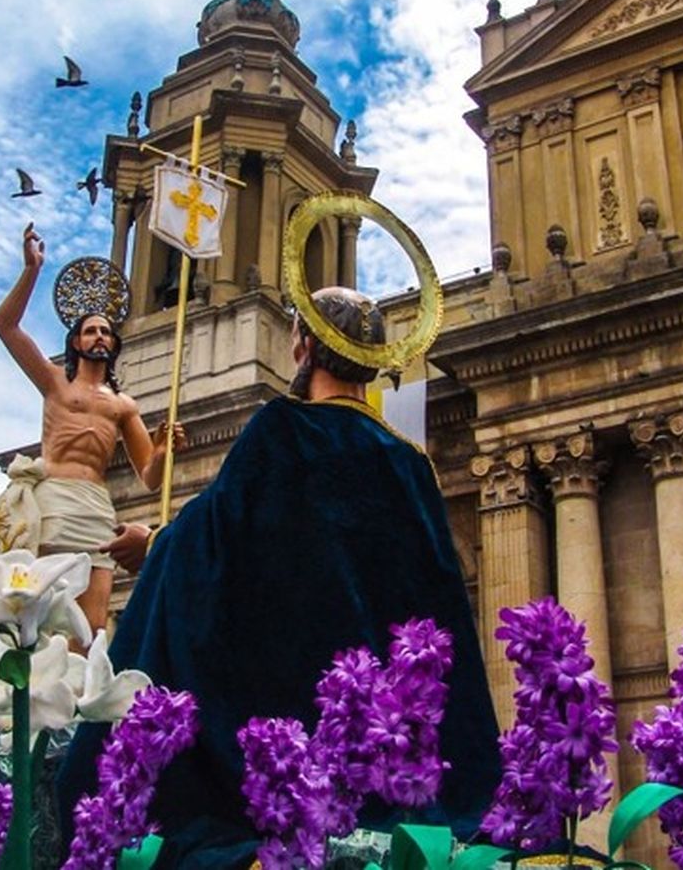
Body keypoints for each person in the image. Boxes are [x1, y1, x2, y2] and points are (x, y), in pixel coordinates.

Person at [59, 287, 501, 869]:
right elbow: (437, 601)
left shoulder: (282, 428)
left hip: (290, 729)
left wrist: (157, 543)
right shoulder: (409, 461)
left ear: (305, 346)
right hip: (390, 744)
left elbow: (218, 537)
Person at [0, 223, 181, 635]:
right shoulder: (55, 381)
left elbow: (149, 477)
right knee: (31, 613)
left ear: (114, 345)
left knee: (91, 626)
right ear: (76, 341)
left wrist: (164, 452)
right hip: (53, 502)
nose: (99, 336)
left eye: (106, 332)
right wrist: (31, 271)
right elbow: (5, 326)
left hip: (96, 507)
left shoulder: (124, 406)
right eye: (90, 330)